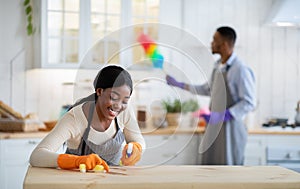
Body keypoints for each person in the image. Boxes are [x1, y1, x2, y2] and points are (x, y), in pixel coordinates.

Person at [166, 26, 256, 165]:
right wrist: (180, 85)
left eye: (214, 40)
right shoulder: (218, 65)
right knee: (211, 168)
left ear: (224, 44)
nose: (211, 43)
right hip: (215, 128)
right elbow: (208, 89)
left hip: (230, 130)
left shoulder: (240, 69)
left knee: (229, 169)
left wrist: (223, 115)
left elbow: (249, 102)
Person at [30, 65, 145, 172]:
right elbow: (37, 156)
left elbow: (139, 140)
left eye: (125, 101)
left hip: (113, 182)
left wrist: (136, 148)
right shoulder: (74, 118)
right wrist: (76, 161)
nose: (119, 106)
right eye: (114, 97)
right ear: (99, 91)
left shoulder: (124, 112)